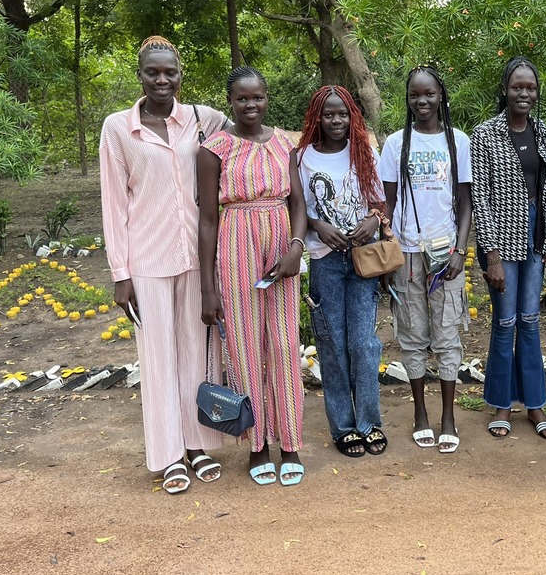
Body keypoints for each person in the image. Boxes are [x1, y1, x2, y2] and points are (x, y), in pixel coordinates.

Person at [99, 36, 227, 494]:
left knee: (196, 352)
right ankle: (169, 453)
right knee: (157, 358)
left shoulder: (200, 118)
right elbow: (113, 203)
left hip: (196, 257)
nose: (161, 79)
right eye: (153, 72)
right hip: (147, 259)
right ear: (140, 75)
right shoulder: (118, 128)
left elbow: (249, 125)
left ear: (179, 74)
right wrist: (120, 275)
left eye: (169, 72)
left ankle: (197, 444)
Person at [198, 66, 307, 485]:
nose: (250, 105)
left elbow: (298, 202)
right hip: (236, 243)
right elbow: (208, 220)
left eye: (257, 97)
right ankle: (257, 443)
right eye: (242, 99)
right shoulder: (215, 149)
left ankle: (291, 442)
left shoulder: (285, 143)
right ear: (231, 102)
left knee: (282, 342)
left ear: (267, 98)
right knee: (243, 346)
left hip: (281, 243)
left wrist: (296, 248)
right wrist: (209, 287)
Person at [379, 65, 473, 454]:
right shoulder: (395, 144)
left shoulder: (457, 142)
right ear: (408, 99)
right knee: (413, 335)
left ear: (441, 97)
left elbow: (465, 204)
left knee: (447, 336)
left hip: (444, 255)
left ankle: (448, 416)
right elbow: (387, 204)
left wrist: (460, 251)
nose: (422, 101)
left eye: (429, 94)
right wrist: (389, 252)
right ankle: (420, 413)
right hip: (407, 254)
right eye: (415, 95)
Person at [296, 86, 387, 458]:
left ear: (353, 116)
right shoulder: (303, 158)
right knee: (332, 345)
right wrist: (318, 226)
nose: (336, 121)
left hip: (363, 258)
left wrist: (372, 220)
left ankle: (369, 422)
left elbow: (380, 202)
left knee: (364, 344)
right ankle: (344, 427)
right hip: (326, 261)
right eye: (329, 115)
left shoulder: (364, 153)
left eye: (343, 114)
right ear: (317, 117)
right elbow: (297, 207)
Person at [470, 56, 546, 440]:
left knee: (531, 321)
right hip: (501, 241)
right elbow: (480, 198)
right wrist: (491, 255)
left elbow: (545, 190)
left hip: (535, 237)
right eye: (517, 87)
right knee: (505, 323)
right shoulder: (485, 135)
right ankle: (501, 404)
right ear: (504, 90)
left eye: (530, 88)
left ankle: (535, 404)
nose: (524, 93)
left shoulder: (541, 131)